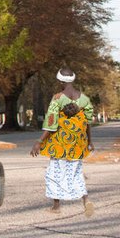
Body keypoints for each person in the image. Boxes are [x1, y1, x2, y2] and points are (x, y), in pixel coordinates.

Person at [30, 68, 94, 216]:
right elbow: (87, 123)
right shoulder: (84, 99)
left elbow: (51, 124)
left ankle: (56, 207)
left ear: (60, 81)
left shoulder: (58, 98)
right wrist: (90, 142)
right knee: (76, 173)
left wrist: (39, 141)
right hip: (78, 144)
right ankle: (86, 201)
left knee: (55, 172)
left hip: (60, 143)